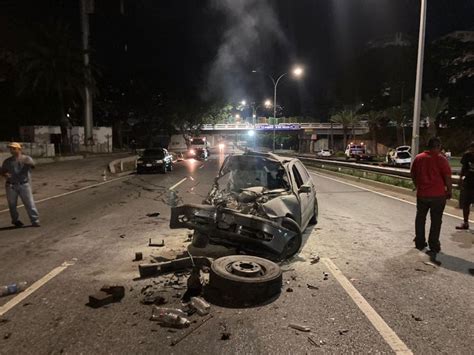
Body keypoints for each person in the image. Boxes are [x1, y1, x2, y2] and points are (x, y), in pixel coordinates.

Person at [411, 137, 452, 259]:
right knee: (436, 220)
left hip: (422, 194)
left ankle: (419, 241)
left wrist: (417, 186)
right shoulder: (441, 159)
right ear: (438, 146)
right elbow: (448, 177)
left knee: (420, 218)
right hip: (438, 195)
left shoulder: (419, 158)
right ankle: (434, 244)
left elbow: (413, 174)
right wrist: (449, 191)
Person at [0, 142, 40, 227]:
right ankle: (15, 220)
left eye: (14, 148)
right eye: (11, 149)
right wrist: (5, 174)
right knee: (12, 204)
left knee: (29, 203)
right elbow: (2, 171)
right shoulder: (7, 161)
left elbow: (33, 166)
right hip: (11, 185)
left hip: (24, 184)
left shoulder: (26, 159)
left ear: (19, 149)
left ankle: (35, 220)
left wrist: (29, 165)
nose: (12, 150)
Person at [456, 142, 474, 230]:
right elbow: (463, 168)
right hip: (468, 182)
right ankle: (466, 222)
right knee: (466, 204)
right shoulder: (467, 156)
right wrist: (460, 179)